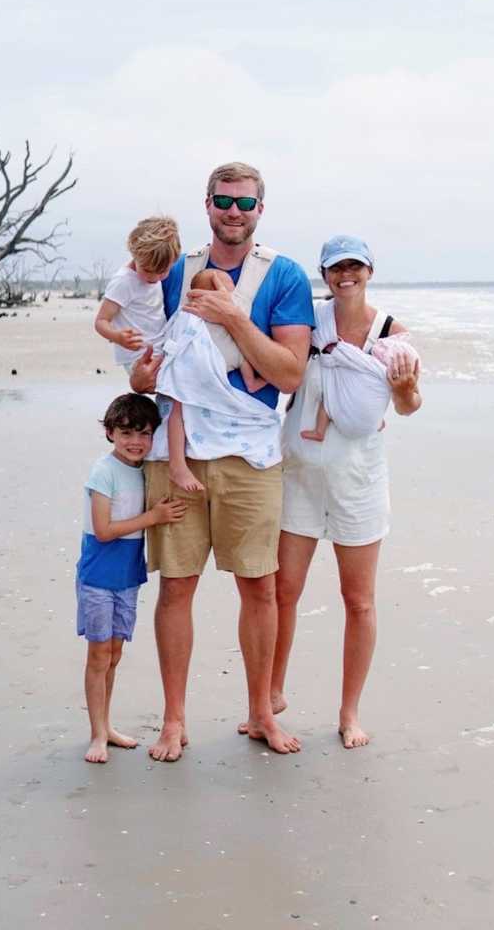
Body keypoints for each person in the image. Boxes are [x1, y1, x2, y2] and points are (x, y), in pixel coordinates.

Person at [131, 162, 314, 760]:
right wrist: (140, 374)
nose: (233, 212)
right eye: (223, 201)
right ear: (205, 205)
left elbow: (290, 373)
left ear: (262, 209)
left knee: (259, 589)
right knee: (176, 588)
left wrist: (235, 314)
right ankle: (174, 720)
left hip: (252, 454)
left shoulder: (283, 275)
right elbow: (144, 361)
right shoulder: (171, 274)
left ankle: (262, 713)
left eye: (245, 203)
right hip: (174, 450)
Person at [275, 235, 421, 749]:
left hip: (359, 481)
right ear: (324, 273)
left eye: (355, 267)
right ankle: (271, 698)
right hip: (299, 474)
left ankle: (349, 713)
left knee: (358, 600)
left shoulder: (392, 334)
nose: (346, 275)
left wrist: (404, 388)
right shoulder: (309, 320)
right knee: (282, 592)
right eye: (337, 268)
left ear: (370, 271)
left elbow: (408, 406)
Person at [77, 393, 186, 763]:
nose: (135, 441)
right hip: (98, 574)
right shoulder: (103, 472)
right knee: (98, 654)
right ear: (109, 433)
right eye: (126, 433)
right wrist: (153, 518)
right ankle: (96, 734)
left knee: (115, 653)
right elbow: (104, 530)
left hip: (128, 574)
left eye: (143, 433)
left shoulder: (143, 472)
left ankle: (106, 725)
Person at [165, 268, 267, 494]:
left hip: (225, 357)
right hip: (198, 362)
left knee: (245, 359)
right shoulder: (194, 310)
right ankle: (177, 465)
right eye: (225, 283)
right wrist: (215, 282)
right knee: (178, 408)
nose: (230, 288)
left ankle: (258, 381)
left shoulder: (232, 313)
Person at [94, 217, 182, 373]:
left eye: (162, 272)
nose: (154, 278)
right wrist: (117, 337)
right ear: (134, 254)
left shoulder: (157, 265)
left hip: (161, 347)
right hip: (137, 356)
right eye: (148, 271)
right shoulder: (124, 282)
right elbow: (101, 321)